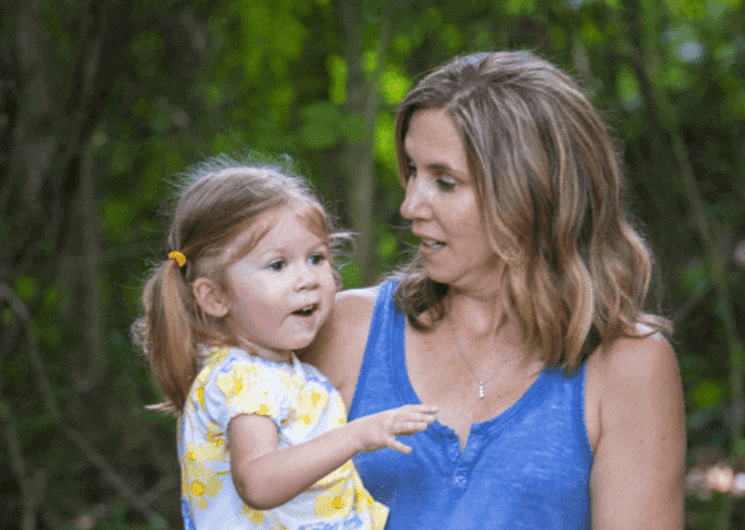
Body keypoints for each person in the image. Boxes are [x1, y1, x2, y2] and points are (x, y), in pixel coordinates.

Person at [301, 51, 687, 530]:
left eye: (445, 181)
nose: (410, 205)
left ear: (529, 193)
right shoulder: (344, 330)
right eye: (413, 173)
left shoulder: (628, 365)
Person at [137, 156, 441, 529]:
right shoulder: (243, 377)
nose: (307, 278)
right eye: (278, 265)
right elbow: (258, 482)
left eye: (316, 258)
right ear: (215, 298)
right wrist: (359, 435)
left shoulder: (277, 370)